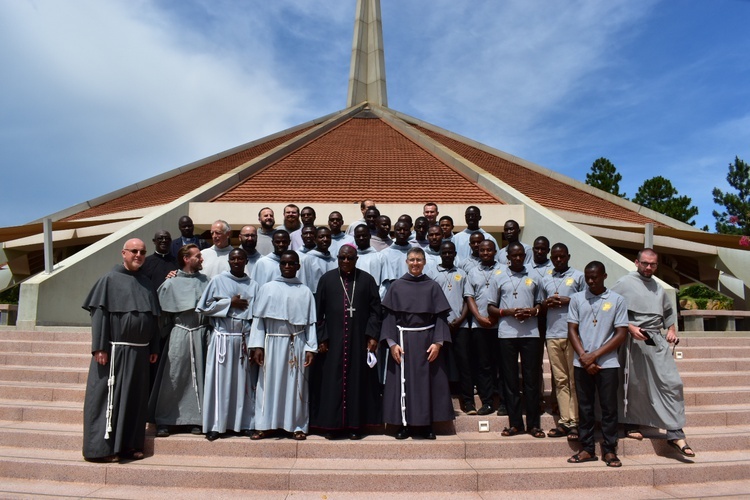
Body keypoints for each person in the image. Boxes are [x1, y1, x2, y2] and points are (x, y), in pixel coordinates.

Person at [81, 238, 160, 462]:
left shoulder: (146, 283)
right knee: (108, 399)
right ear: (123, 253)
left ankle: (129, 445)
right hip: (114, 352)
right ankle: (101, 449)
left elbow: (153, 318)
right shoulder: (108, 280)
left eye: (143, 252)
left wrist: (153, 346)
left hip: (140, 352)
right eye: (134, 251)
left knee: (134, 401)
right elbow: (99, 315)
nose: (139, 255)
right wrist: (99, 347)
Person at [611, 248, 694, 457]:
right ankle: (630, 423)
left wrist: (672, 331)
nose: (649, 267)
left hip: (655, 339)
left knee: (671, 382)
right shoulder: (624, 283)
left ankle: (675, 432)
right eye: (645, 263)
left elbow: (668, 313)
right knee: (634, 384)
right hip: (632, 340)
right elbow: (611, 308)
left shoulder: (658, 287)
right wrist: (629, 327)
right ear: (636, 262)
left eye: (653, 264)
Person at [381, 247, 454, 440]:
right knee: (403, 384)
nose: (415, 263)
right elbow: (389, 317)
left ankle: (427, 425)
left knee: (428, 384)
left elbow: (440, 317)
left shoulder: (432, 286)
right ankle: (404, 425)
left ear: (424, 262)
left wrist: (438, 343)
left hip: (427, 342)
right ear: (406, 262)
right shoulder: (396, 286)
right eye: (412, 260)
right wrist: (392, 344)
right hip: (402, 341)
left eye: (419, 260)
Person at [310, 245, 383, 439]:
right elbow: (318, 313)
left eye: (349, 258)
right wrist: (322, 337)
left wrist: (373, 336)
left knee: (357, 381)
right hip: (333, 341)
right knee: (331, 382)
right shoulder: (326, 280)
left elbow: (376, 312)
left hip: (359, 340)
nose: (345, 261)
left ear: (356, 259)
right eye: (342, 258)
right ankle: (332, 426)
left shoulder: (367, 280)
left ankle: (355, 426)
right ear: (337, 258)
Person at [249, 251, 318, 440]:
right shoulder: (267, 288)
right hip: (271, 342)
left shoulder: (305, 291)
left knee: (296, 387)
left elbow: (310, 324)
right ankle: (264, 425)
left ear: (298, 266)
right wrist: (257, 346)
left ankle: (296, 425)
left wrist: (311, 347)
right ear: (279, 265)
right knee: (268, 384)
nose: (287, 266)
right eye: (284, 263)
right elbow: (259, 320)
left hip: (296, 343)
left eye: (291, 263)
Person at [567, 261, 628, 467]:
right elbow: (572, 330)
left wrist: (594, 356)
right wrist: (584, 356)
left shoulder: (617, 300)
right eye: (588, 277)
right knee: (585, 407)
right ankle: (587, 449)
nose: (591, 281)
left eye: (595, 277)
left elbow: (621, 333)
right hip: (581, 362)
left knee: (609, 408)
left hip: (607, 364)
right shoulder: (577, 298)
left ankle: (610, 450)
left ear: (604, 276)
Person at [196, 248, 259, 441]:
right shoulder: (217, 281)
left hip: (243, 338)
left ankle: (244, 423)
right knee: (220, 382)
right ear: (229, 261)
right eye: (233, 258)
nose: (237, 261)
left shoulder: (253, 285)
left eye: (241, 258)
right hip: (222, 337)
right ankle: (216, 424)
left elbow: (256, 316)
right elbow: (203, 308)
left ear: (246, 261)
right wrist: (228, 303)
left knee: (244, 383)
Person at [149, 244, 209, 438]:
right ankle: (166, 419)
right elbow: (161, 315)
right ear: (186, 258)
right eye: (198, 256)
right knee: (173, 376)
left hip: (201, 333)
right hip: (180, 333)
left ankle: (195, 419)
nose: (202, 259)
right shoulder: (171, 283)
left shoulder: (206, 280)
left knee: (199, 378)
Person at [488, 242, 544, 438]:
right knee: (510, 381)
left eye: (521, 255)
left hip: (530, 334)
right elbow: (491, 308)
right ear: (507, 258)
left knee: (531, 380)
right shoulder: (499, 277)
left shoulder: (534, 276)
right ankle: (515, 424)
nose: (518, 258)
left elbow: (540, 304)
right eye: (514, 256)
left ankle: (534, 424)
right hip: (507, 334)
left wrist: (533, 311)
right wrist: (508, 312)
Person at [541, 243, 585, 439]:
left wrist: (570, 300)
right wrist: (546, 303)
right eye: (555, 257)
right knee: (560, 381)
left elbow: (587, 302)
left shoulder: (578, 276)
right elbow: (540, 304)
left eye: (562, 257)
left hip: (572, 334)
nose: (558, 260)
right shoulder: (546, 278)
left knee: (574, 380)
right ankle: (565, 421)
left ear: (568, 256)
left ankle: (575, 421)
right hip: (552, 334)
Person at [428, 242, 472, 414]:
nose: (447, 255)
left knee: (464, 364)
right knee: (440, 364)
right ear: (440, 254)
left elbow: (468, 299)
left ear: (455, 254)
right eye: (444, 252)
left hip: (460, 325)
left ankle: (468, 402)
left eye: (450, 252)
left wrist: (460, 319)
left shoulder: (462, 274)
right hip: (439, 326)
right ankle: (439, 401)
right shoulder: (431, 274)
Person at [465, 240, 503, 416]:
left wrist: (496, 316)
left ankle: (504, 402)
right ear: (478, 251)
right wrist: (479, 317)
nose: (486, 253)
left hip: (501, 325)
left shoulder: (504, 270)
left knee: (502, 365)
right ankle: (487, 402)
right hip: (479, 325)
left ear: (495, 251)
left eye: (489, 250)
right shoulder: (472, 272)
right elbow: (469, 297)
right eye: (482, 250)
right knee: (484, 365)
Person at [379, 220, 414, 296]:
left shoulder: (416, 253)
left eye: (405, 230)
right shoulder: (384, 254)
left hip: (412, 293)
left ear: (410, 232)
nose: (402, 232)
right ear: (394, 232)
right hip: (391, 295)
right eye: (399, 230)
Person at [300, 226, 337, 294]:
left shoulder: (335, 260)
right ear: (314, 239)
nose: (325, 239)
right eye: (321, 237)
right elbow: (302, 282)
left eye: (328, 237)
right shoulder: (306, 259)